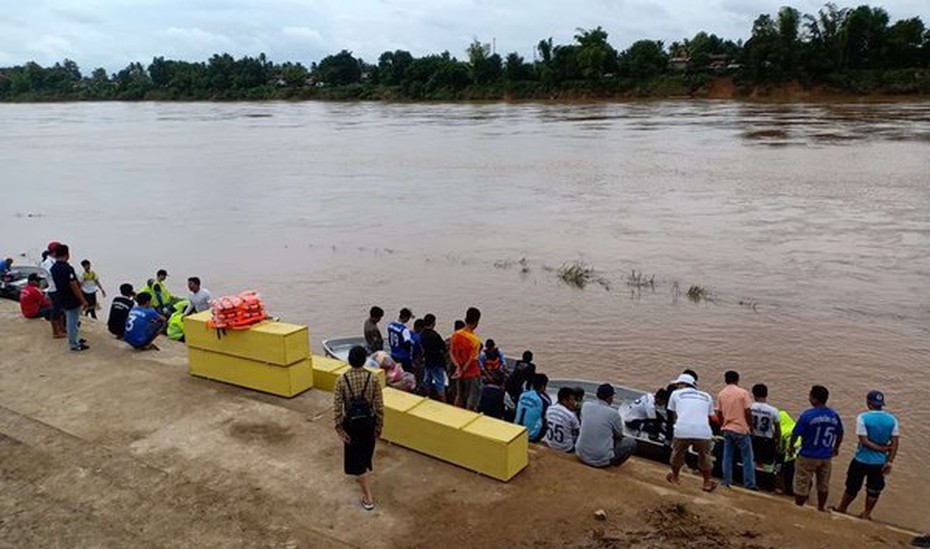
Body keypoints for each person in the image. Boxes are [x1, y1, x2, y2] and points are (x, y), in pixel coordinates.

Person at [832, 390, 900, 520]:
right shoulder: (892, 420)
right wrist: (890, 461)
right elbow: (895, 443)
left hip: (861, 459)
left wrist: (880, 449)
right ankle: (866, 514)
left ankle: (842, 508)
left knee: (852, 487)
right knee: (874, 490)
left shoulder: (862, 417)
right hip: (880, 462)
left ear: (868, 403)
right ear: (881, 404)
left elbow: (864, 441)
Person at [333, 346, 384, 511]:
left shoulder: (342, 380)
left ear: (349, 360)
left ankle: (368, 498)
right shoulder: (373, 378)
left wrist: (340, 429)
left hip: (351, 425)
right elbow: (379, 406)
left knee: (358, 461)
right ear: (364, 360)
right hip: (368, 423)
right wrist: (379, 426)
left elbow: (337, 408)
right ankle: (362, 476)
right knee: (364, 455)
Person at [789, 385, 844, 511]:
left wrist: (791, 447)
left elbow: (795, 434)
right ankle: (820, 508)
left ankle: (799, 507)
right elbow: (840, 433)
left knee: (802, 483)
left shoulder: (807, 415)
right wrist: (836, 448)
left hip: (808, 454)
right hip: (826, 456)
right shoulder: (834, 415)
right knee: (823, 484)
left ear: (814, 399)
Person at [666, 373, 717, 492]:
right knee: (705, 456)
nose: (677, 386)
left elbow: (672, 415)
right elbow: (711, 416)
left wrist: (675, 428)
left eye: (678, 384)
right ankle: (707, 483)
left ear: (683, 384)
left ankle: (675, 477)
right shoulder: (707, 396)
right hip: (703, 431)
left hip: (682, 429)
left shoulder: (675, 394)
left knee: (677, 453)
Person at [576, 383, 636, 468]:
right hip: (600, 461)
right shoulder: (613, 414)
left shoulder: (586, 405)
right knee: (631, 443)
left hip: (580, 453)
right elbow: (619, 435)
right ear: (610, 398)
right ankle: (613, 466)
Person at [716, 370, 757, 490]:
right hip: (741, 429)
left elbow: (719, 413)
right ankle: (749, 483)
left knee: (727, 456)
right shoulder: (743, 393)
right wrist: (751, 427)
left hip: (727, 428)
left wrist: (722, 425)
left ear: (725, 380)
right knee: (747, 458)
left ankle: (727, 480)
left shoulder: (721, 394)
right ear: (737, 380)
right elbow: (748, 412)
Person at [50, 245, 90, 352]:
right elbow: (74, 286)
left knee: (71, 319)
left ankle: (75, 338)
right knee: (72, 321)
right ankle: (74, 344)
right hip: (71, 299)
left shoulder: (53, 268)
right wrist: (83, 300)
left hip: (61, 297)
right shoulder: (67, 268)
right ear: (67, 255)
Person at [450, 307, 482, 410]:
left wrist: (458, 367)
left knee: (459, 396)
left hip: (459, 371)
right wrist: (463, 369)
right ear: (476, 323)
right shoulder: (475, 340)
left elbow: (451, 352)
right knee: (472, 400)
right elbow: (472, 359)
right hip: (472, 372)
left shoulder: (455, 335)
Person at [749, 384, 782, 474]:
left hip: (754, 438)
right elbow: (778, 429)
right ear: (766, 395)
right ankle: (767, 480)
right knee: (768, 463)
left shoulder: (750, 407)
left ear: (754, 395)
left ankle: (754, 478)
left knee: (753, 459)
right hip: (767, 439)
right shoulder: (773, 410)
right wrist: (778, 442)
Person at [419, 314, 447, 401]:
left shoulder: (421, 334)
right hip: (436, 362)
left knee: (427, 382)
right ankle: (444, 402)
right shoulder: (435, 335)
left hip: (427, 362)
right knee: (440, 385)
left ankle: (427, 399)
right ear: (433, 323)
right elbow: (443, 348)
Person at [515, 374, 549, 442]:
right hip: (532, 436)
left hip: (517, 432)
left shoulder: (522, 395)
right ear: (543, 386)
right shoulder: (544, 400)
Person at [41, 242, 65, 338]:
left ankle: (61, 328)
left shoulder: (55, 261)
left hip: (59, 289)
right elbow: (54, 274)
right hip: (53, 289)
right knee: (55, 311)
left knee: (60, 311)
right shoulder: (47, 263)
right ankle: (56, 332)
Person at [545, 387, 581, 453]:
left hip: (550, 444)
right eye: (571, 400)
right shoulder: (570, 415)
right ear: (564, 400)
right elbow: (578, 431)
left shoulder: (549, 409)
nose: (573, 402)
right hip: (566, 448)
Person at [387, 308, 415, 372]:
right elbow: (407, 343)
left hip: (393, 354)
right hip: (403, 357)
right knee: (407, 375)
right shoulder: (404, 330)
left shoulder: (391, 325)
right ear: (406, 318)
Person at [444, 320, 465, 405]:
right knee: (460, 389)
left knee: (451, 386)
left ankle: (450, 400)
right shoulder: (464, 342)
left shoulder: (448, 341)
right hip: (459, 368)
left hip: (449, 367)